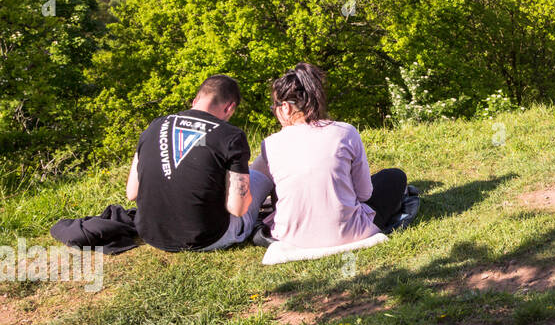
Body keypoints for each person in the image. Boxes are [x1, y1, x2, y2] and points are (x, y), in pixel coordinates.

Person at [51, 75, 267, 253]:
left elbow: (131, 193)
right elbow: (237, 210)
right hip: (208, 238)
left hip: (151, 233)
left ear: (195, 101)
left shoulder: (155, 125)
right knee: (261, 170)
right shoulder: (231, 135)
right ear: (229, 108)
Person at [252, 63, 408, 254]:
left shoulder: (271, 143)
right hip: (350, 233)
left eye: (273, 107)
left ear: (285, 107)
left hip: (290, 237)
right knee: (394, 177)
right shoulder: (345, 132)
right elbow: (365, 194)